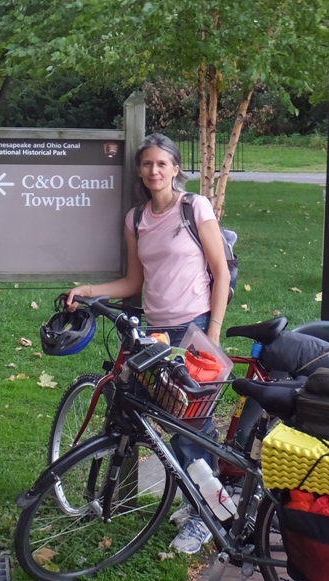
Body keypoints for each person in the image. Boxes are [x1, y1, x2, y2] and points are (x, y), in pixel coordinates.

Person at [67, 133, 230, 554]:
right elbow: (134, 282)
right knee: (158, 417)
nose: (154, 171)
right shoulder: (136, 219)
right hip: (155, 332)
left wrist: (210, 333)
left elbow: (220, 272)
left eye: (163, 164)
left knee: (191, 424)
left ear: (176, 167)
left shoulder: (194, 208)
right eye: (147, 164)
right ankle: (200, 498)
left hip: (192, 327)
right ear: (139, 170)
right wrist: (89, 288)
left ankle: (207, 516)